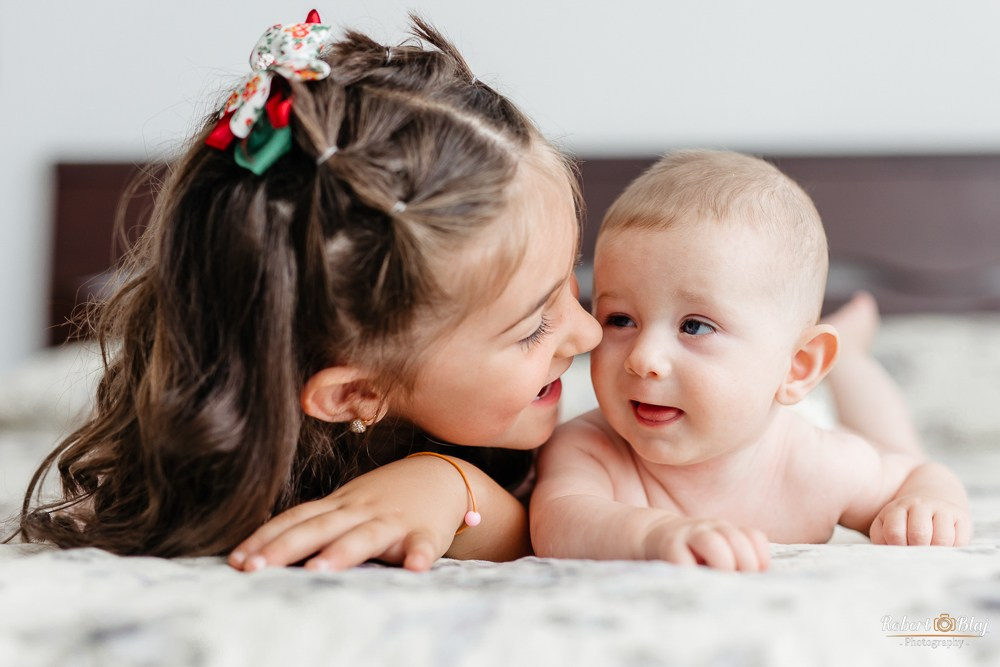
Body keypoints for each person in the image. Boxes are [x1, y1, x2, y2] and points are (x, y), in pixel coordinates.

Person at [13, 11, 601, 572]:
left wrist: (452, 486)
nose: (590, 331)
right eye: (532, 327)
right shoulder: (211, 476)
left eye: (570, 283)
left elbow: (582, 524)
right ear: (356, 393)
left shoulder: (585, 434)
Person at [530, 150, 972, 571]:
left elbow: (917, 473)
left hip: (798, 415)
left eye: (694, 326)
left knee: (893, 443)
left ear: (798, 366)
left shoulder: (818, 464)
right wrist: (654, 536)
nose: (643, 359)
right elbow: (558, 522)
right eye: (620, 319)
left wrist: (931, 502)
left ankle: (851, 356)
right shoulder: (589, 448)